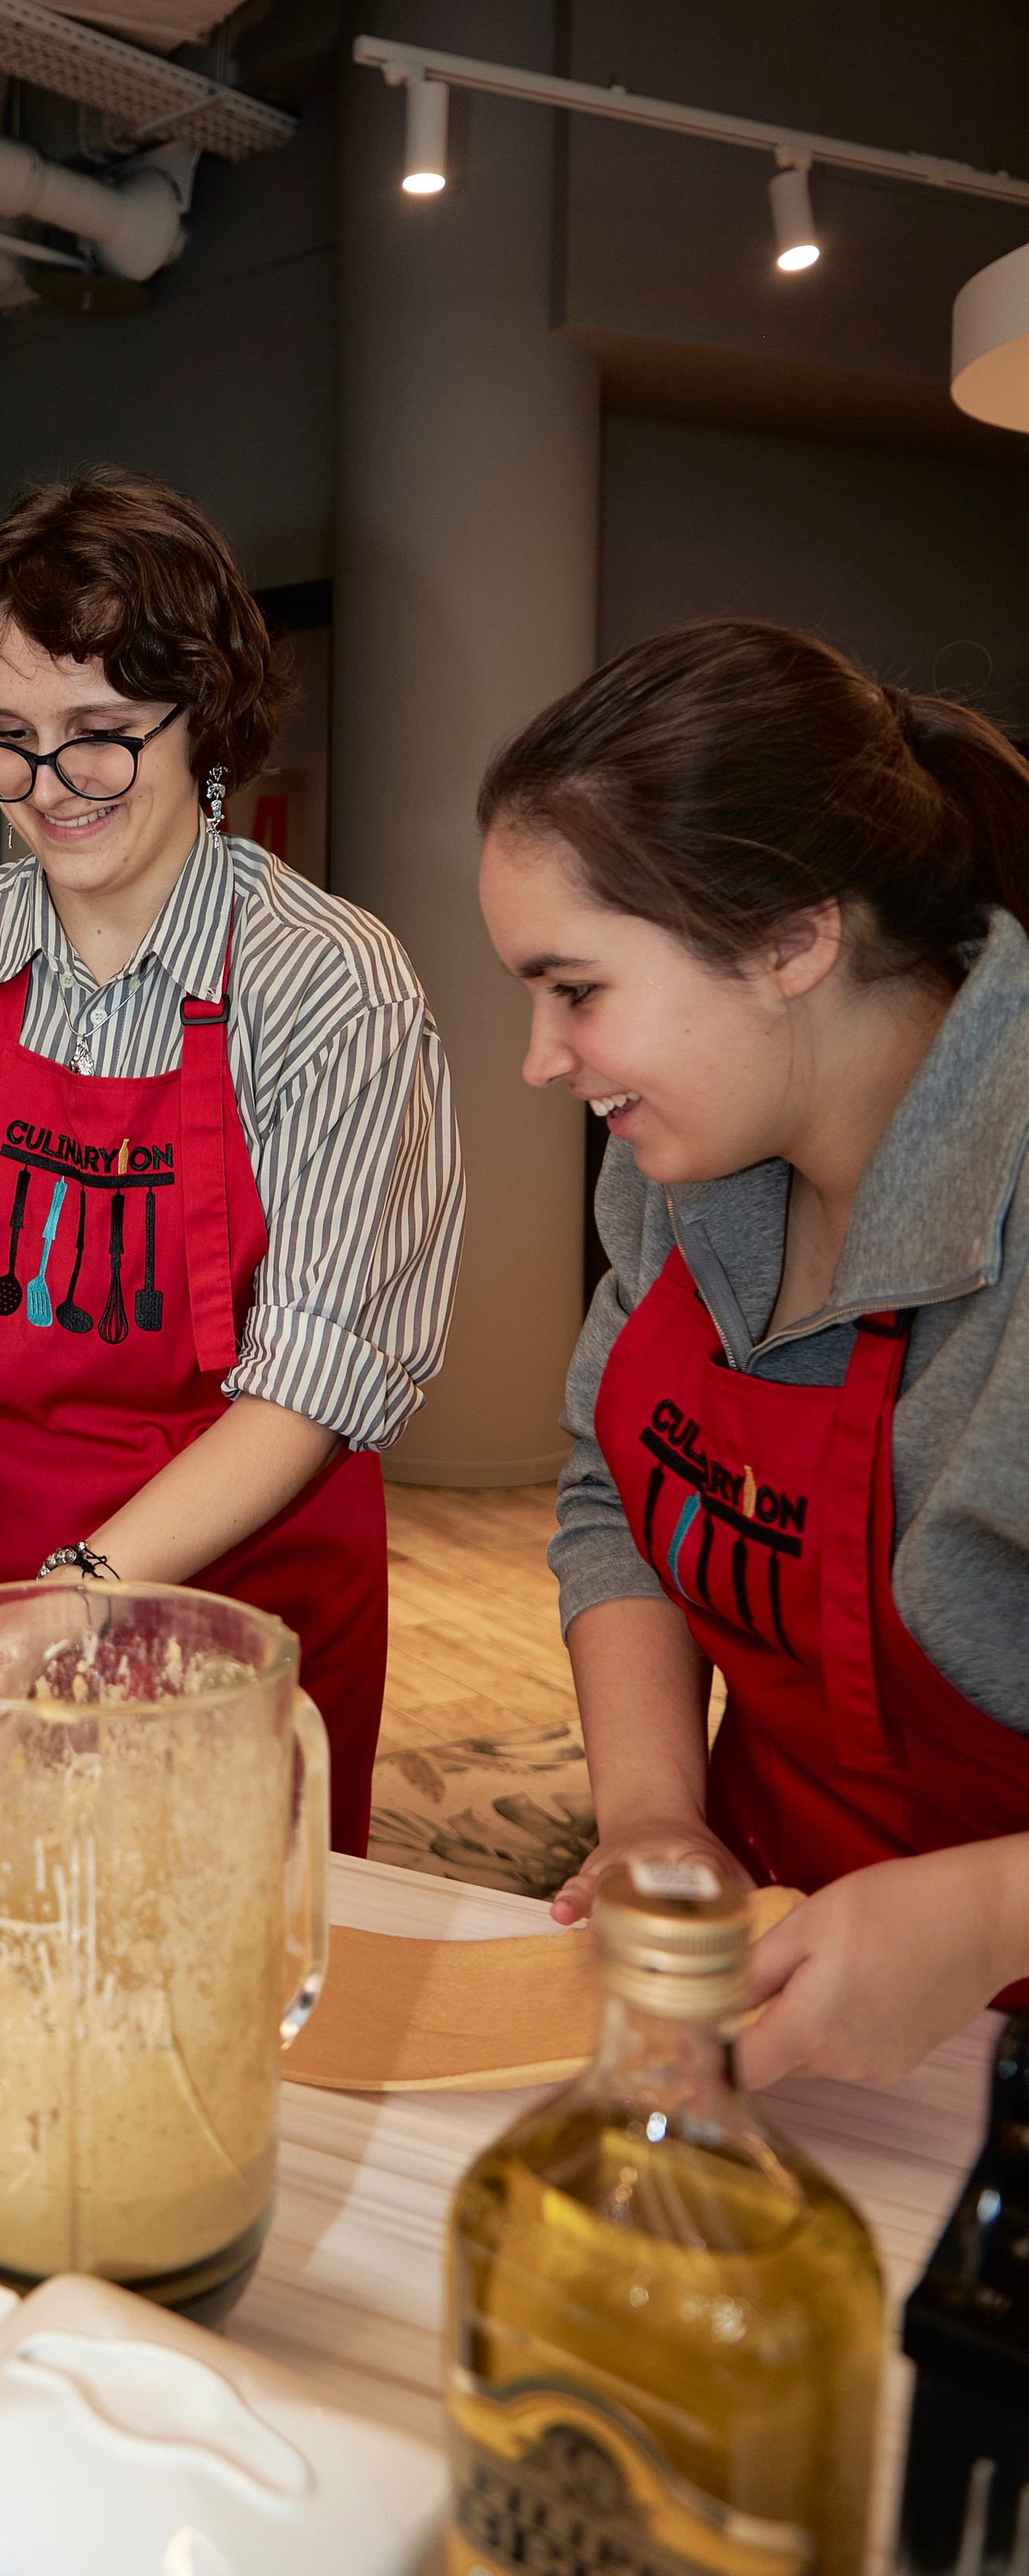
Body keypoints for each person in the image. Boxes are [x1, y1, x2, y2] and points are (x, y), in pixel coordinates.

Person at [0, 467, 464, 1854]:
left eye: (101, 735)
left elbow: (312, 1377)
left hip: (237, 1602)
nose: (47, 786)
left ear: (210, 719)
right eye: (6, 738)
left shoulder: (330, 983)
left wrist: (75, 1605)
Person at [478, 618, 1029, 2091]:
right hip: (766, 1972)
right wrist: (657, 1813)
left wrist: (987, 1912)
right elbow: (618, 1492)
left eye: (576, 990)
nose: (542, 1059)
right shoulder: (677, 1162)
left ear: (791, 937)